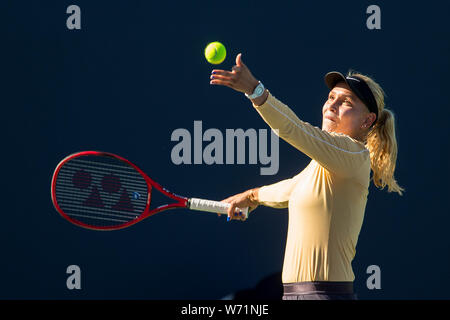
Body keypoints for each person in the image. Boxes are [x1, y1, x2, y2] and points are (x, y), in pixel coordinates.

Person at [210, 53, 404, 300]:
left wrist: (254, 90)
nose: (332, 105)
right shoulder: (323, 166)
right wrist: (250, 197)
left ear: (367, 120)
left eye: (346, 102)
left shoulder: (354, 154)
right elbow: (289, 189)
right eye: (331, 97)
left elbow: (293, 129)